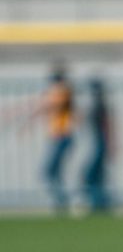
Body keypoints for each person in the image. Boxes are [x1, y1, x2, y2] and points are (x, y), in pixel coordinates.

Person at [41, 66, 75, 214]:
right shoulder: (57, 92)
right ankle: (61, 202)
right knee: (53, 172)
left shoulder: (63, 91)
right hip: (57, 137)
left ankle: (62, 202)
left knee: (50, 171)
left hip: (63, 136)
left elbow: (49, 106)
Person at [80, 78, 114, 213]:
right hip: (98, 144)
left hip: (100, 144)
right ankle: (100, 204)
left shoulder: (100, 105)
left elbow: (107, 126)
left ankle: (99, 205)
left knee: (91, 175)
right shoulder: (95, 105)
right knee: (97, 176)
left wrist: (111, 145)